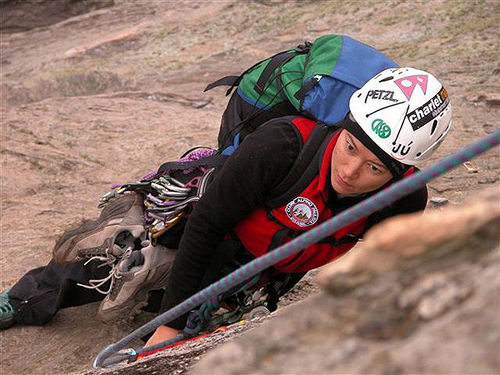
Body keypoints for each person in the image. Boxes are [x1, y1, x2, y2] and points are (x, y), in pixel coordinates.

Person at [0, 67, 452, 352]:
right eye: (350, 147)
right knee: (128, 267)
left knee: (189, 331)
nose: (352, 172)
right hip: (201, 225)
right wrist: (169, 326)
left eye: (375, 167)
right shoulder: (282, 146)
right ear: (343, 127)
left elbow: (397, 269)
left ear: (399, 173)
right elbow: (206, 225)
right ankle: (19, 302)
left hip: (262, 268)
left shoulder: (401, 201)